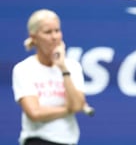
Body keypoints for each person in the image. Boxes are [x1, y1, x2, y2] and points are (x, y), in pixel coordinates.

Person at [12, 9, 86, 145]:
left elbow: (77, 104)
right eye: (48, 32)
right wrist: (68, 109)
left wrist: (63, 68)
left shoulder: (72, 66)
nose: (54, 37)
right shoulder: (23, 69)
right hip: (38, 140)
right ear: (34, 37)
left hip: (69, 140)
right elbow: (34, 113)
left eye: (57, 31)